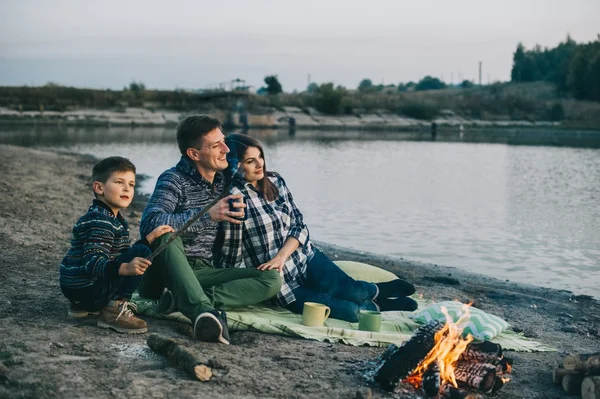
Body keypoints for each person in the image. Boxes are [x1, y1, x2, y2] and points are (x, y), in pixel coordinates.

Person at [214, 134, 418, 323]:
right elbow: (232, 257)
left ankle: (373, 290)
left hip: (303, 257)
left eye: (260, 156)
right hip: (281, 284)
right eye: (250, 161)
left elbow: (299, 225)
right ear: (234, 166)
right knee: (351, 313)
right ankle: (378, 305)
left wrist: (282, 256)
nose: (260, 164)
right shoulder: (233, 199)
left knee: (353, 292)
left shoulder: (274, 181)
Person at [138, 115, 281, 344]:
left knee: (271, 278)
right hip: (162, 272)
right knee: (165, 231)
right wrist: (208, 215)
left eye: (223, 141)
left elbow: (253, 163)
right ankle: (203, 313)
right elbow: (150, 223)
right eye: (216, 146)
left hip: (204, 270)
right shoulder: (173, 179)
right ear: (194, 154)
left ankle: (180, 299)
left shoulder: (224, 178)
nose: (226, 149)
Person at [59, 156, 174, 333]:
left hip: (77, 289)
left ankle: (83, 308)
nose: (127, 188)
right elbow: (93, 262)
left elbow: (118, 254)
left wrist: (149, 239)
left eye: (131, 184)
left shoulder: (106, 217)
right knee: (141, 252)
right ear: (99, 187)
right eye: (120, 182)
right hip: (87, 288)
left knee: (141, 248)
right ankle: (114, 310)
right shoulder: (102, 222)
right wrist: (125, 269)